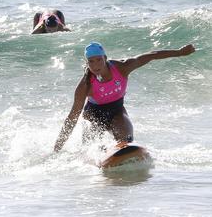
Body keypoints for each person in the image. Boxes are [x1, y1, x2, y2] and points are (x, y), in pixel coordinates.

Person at [53, 42, 196, 152]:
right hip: (93, 116)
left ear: (105, 58)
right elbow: (72, 117)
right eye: (91, 61)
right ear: (87, 63)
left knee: (126, 140)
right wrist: (57, 148)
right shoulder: (85, 86)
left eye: (98, 60)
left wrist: (180, 52)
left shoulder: (122, 68)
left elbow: (152, 55)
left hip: (117, 111)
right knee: (91, 146)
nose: (95, 65)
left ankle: (119, 153)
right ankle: (99, 155)